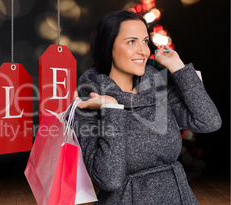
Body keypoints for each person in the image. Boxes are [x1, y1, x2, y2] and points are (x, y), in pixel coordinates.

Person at [73, 10, 222, 205]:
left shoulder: (157, 87)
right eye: (131, 42)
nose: (143, 50)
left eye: (145, 41)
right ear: (108, 47)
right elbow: (109, 179)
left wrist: (178, 68)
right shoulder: (89, 103)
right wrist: (112, 109)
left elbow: (209, 122)